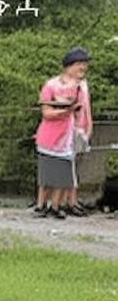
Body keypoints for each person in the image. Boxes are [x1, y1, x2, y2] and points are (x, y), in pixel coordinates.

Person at [34, 47, 94, 219]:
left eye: (85, 64)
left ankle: (62, 204)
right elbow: (46, 112)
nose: (83, 67)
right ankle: (43, 205)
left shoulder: (82, 86)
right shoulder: (52, 85)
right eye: (79, 64)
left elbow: (86, 109)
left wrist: (88, 127)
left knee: (68, 169)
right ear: (69, 65)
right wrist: (67, 111)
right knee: (51, 169)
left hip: (75, 132)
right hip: (55, 134)